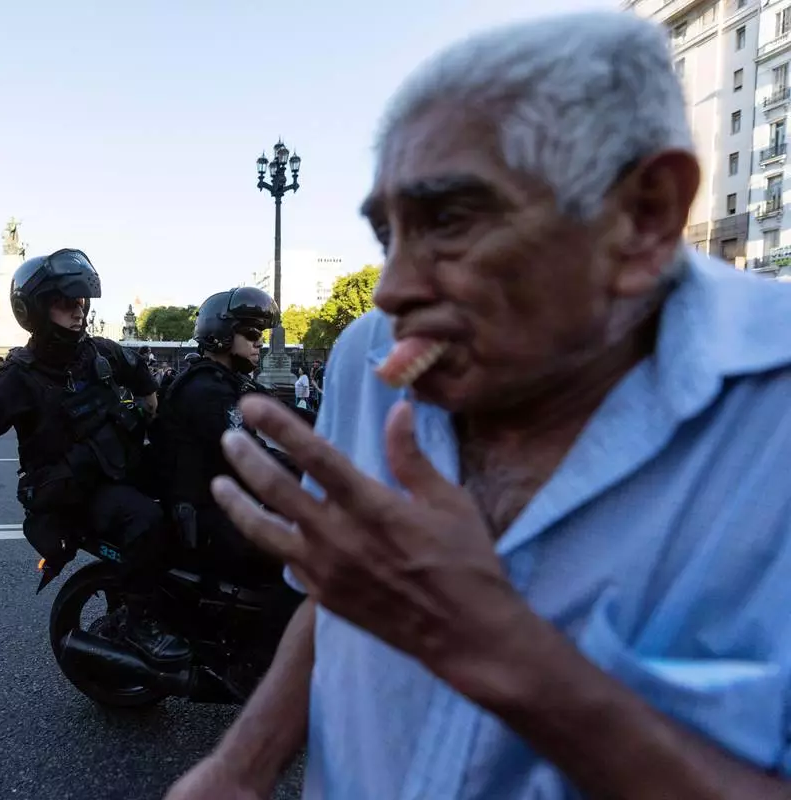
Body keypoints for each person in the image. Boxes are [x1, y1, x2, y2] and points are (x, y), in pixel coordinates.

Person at [166, 12, 791, 800]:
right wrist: (237, 767)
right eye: (388, 234)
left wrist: (511, 660)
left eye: (451, 221)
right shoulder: (370, 357)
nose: (392, 289)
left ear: (644, 217)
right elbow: (339, 596)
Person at [0, 248, 189, 663]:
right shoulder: (19, 378)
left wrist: (150, 421)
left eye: (81, 302)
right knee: (146, 520)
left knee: (194, 491)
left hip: (120, 469)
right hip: (76, 490)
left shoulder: (100, 352)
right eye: (66, 304)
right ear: (35, 310)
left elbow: (144, 385)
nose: (78, 311)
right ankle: (138, 622)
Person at [148, 287, 295, 587]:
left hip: (228, 501)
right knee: (295, 564)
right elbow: (251, 455)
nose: (259, 344)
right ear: (222, 334)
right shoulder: (205, 390)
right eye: (252, 335)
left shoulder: (230, 381)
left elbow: (283, 412)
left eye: (261, 337)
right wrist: (313, 470)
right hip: (205, 514)